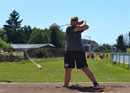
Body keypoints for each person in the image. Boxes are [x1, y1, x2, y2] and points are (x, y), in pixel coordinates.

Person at [64, 16, 100, 88]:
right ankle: (66, 86)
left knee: (84, 68)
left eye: (73, 21)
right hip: (69, 51)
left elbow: (87, 27)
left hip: (79, 51)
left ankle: (95, 83)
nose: (71, 22)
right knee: (68, 69)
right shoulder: (69, 28)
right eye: (71, 21)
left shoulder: (78, 28)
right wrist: (82, 22)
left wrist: (82, 22)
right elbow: (81, 27)